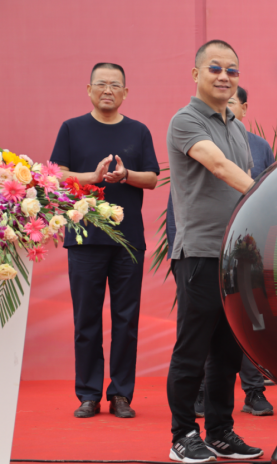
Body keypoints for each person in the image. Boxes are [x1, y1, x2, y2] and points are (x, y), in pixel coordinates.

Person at [165, 39, 263, 464]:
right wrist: (271, 194)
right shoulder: (185, 120)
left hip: (234, 255)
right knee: (192, 348)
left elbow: (242, 176)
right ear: (196, 74)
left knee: (227, 351)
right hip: (200, 253)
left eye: (232, 70)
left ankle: (221, 432)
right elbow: (220, 166)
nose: (225, 77)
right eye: (215, 68)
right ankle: (183, 434)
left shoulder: (237, 126)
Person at [50, 63, 159, 419]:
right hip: (84, 239)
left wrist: (126, 175)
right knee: (87, 319)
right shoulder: (72, 128)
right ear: (89, 89)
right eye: (101, 84)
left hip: (128, 241)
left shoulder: (138, 131)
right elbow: (56, 176)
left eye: (115, 85)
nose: (108, 90)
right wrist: (91, 177)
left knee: (126, 319)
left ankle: (121, 394)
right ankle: (89, 394)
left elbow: (152, 178)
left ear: (126, 92)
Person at [228, 86, 276, 177]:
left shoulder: (261, 146)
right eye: (218, 103)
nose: (223, 108)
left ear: (244, 109)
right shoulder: (206, 142)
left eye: (230, 103)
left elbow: (272, 182)